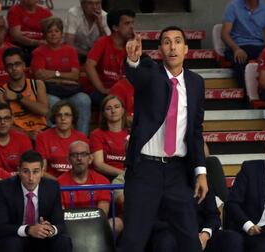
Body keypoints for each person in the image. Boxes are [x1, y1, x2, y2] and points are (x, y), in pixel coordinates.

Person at [119, 26, 208, 252]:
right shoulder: (150, 72)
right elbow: (136, 73)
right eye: (167, 42)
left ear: (186, 48)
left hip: (178, 172)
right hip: (144, 170)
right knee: (132, 241)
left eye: (178, 41)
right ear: (160, 49)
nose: (172, 47)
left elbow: (196, 131)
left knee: (190, 241)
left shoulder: (196, 82)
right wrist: (133, 59)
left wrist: (201, 172)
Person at [0, 150, 72, 252]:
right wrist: (29, 229)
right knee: (12, 243)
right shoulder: (4, 188)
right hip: (16, 237)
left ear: (42, 172)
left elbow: (60, 224)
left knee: (62, 240)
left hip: (42, 238)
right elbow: (1, 227)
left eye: (35, 171)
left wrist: (50, 228)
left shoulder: (52, 187)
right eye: (26, 171)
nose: (31, 178)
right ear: (19, 171)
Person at [225, 127, 265, 252]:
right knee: (261, 248)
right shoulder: (250, 169)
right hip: (258, 230)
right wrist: (248, 226)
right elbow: (232, 203)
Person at [31, 17, 91, 135]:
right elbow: (40, 76)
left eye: (56, 31)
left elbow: (75, 75)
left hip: (70, 91)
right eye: (50, 31)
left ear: (61, 33)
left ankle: (82, 138)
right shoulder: (38, 52)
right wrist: (65, 78)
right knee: (54, 102)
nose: (53, 34)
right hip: (49, 92)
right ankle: (55, 138)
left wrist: (53, 74)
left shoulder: (70, 51)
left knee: (84, 99)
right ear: (45, 35)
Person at [151, 191, 243, 252]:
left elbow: (213, 216)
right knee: (164, 242)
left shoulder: (201, 181)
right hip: (172, 234)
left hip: (201, 235)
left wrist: (205, 234)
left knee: (232, 238)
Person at [85, 8, 135, 106]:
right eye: (127, 23)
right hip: (104, 91)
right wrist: (102, 89)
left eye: (132, 23)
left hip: (125, 90)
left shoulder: (132, 45)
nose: (132, 27)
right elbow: (89, 65)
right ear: (115, 27)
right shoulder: (102, 42)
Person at [0, 47, 48, 139]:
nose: (14, 68)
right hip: (18, 135)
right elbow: (5, 123)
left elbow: (44, 110)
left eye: (17, 64)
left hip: (42, 130)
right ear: (5, 69)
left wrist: (19, 97)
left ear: (24, 65)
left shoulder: (37, 84)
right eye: (10, 65)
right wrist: (26, 134)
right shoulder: (2, 92)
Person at [221, 0, 265, 88]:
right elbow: (224, 34)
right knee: (240, 61)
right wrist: (236, 49)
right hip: (238, 46)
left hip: (258, 46)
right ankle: (246, 95)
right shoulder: (233, 6)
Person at [35, 100, 88, 179]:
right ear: (54, 118)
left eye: (67, 115)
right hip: (52, 183)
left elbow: (85, 168)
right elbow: (42, 170)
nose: (63, 118)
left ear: (73, 118)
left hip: (76, 183)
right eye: (59, 115)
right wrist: (60, 184)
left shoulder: (82, 138)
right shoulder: (42, 137)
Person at [58, 140, 111, 213]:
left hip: (95, 223)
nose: (79, 158)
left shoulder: (103, 182)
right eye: (74, 154)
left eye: (83, 154)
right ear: (68, 160)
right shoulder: (58, 183)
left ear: (90, 159)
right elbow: (61, 216)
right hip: (69, 224)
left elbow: (102, 215)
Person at [90, 95, 129, 179]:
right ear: (103, 113)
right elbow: (98, 164)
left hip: (130, 177)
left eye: (117, 107)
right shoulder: (96, 134)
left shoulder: (132, 133)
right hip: (107, 177)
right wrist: (124, 174)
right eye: (108, 108)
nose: (113, 111)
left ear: (122, 110)